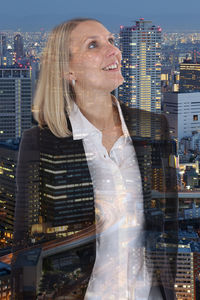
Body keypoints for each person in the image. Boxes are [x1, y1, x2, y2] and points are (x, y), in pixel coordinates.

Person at [12, 18, 178, 299]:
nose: (114, 50)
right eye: (94, 45)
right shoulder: (40, 143)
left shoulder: (154, 127)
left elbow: (168, 224)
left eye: (112, 41)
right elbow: (25, 248)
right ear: (67, 70)